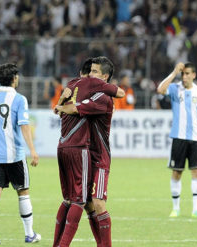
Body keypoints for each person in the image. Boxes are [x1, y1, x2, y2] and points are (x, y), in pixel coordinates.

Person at [52, 57, 124, 247]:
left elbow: (75, 108)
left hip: (99, 157)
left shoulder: (102, 98)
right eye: (90, 71)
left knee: (98, 202)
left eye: (95, 72)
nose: (91, 75)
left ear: (105, 77)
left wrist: (60, 106)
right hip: (85, 155)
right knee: (87, 204)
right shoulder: (88, 91)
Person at [0, 63, 41, 245]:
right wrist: (32, 150)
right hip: (15, 155)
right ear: (14, 78)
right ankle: (29, 234)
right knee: (23, 192)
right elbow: (24, 125)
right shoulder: (19, 99)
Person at [157, 62, 197, 218]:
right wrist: (174, 72)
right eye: (183, 74)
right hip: (179, 137)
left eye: (188, 73)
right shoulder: (175, 88)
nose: (185, 76)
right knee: (177, 172)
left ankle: (196, 209)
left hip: (196, 138)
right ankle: (175, 208)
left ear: (194, 75)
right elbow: (160, 89)